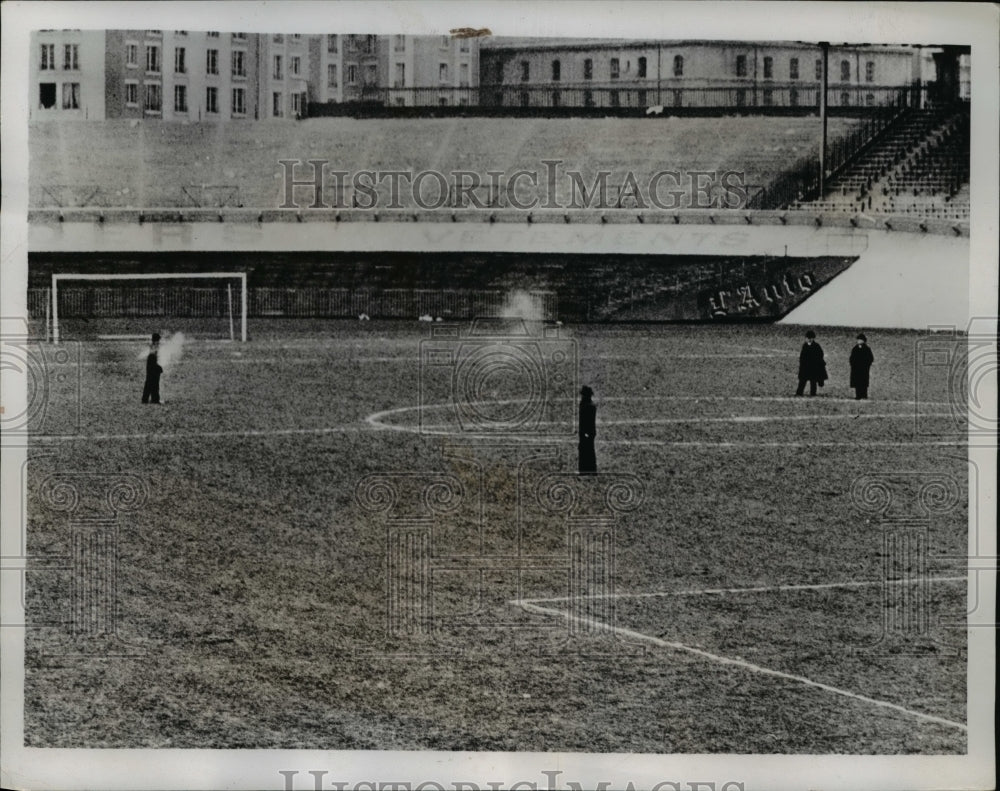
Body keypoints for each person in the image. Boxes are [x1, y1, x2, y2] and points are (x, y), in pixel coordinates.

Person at [795, 330, 827, 397]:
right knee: (803, 381)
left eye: (811, 338)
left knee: (813, 381)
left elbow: (820, 355)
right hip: (806, 366)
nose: (809, 339)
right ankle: (799, 392)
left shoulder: (815, 346)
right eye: (808, 338)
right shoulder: (805, 346)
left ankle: (812, 393)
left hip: (813, 367)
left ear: (813, 338)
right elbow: (802, 357)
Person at [849, 333, 875, 400]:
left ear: (864, 341)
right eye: (858, 340)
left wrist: (866, 365)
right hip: (856, 369)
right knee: (857, 383)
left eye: (860, 340)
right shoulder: (855, 349)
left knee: (863, 382)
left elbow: (870, 358)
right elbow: (851, 358)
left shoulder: (867, 349)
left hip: (864, 369)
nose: (858, 341)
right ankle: (858, 395)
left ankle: (864, 395)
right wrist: (853, 364)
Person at [578, 386, 597, 475]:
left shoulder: (585, 406)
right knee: (589, 450)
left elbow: (586, 421)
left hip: (586, 431)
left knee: (585, 450)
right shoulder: (590, 406)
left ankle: (585, 470)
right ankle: (590, 469)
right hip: (589, 431)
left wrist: (585, 432)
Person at [141, 333, 163, 404]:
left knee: (149, 381)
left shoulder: (152, 345)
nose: (159, 342)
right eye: (158, 340)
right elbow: (153, 356)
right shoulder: (154, 346)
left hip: (150, 363)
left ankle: (145, 399)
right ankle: (155, 399)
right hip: (152, 361)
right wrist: (157, 367)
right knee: (154, 382)